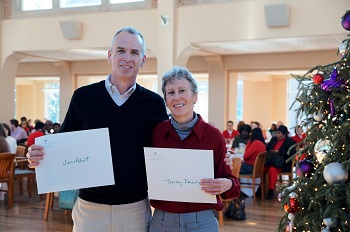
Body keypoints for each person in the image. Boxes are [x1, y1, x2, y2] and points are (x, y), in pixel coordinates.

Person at [26, 27, 234, 231]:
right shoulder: (83, 97)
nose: (127, 57)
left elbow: (170, 147)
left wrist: (219, 158)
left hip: (134, 208)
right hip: (90, 208)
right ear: (110, 55)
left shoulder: (153, 103)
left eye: (134, 52)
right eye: (121, 50)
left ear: (142, 60)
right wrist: (39, 156)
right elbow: (62, 146)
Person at [149, 65, 240, 232]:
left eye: (182, 90)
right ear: (166, 100)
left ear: (195, 96)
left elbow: (233, 187)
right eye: (171, 92)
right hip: (162, 221)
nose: (177, 97)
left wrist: (226, 184)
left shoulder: (213, 136)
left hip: (202, 221)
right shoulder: (156, 133)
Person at [265, 125, 296, 199]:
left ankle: (271, 190)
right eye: (276, 133)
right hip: (272, 160)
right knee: (262, 168)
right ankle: (260, 189)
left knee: (272, 170)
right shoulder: (274, 139)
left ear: (284, 134)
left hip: (283, 163)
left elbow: (290, 154)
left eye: (279, 133)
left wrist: (279, 152)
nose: (277, 135)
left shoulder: (290, 142)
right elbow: (267, 148)